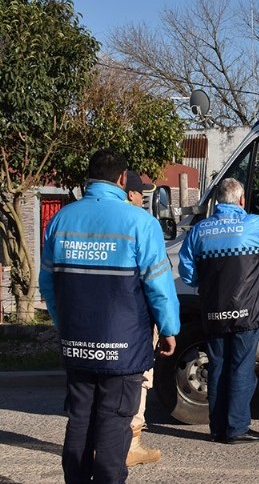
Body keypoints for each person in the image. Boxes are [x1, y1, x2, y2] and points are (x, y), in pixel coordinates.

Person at [39, 149, 180, 484]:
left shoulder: (61, 220)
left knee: (79, 421)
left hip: (76, 346)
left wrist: (65, 323)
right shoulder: (140, 223)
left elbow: (47, 283)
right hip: (123, 349)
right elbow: (159, 287)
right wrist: (170, 328)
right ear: (121, 178)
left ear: (90, 177)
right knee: (114, 428)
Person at [178, 177, 259, 444]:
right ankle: (237, 428)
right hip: (249, 311)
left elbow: (186, 272)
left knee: (218, 366)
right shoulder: (254, 225)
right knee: (241, 368)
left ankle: (218, 428)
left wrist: (206, 283)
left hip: (214, 311)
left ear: (218, 200)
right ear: (242, 200)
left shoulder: (199, 231)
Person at [123, 170, 161, 467]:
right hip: (137, 320)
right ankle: (131, 445)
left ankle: (102, 443)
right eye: (142, 192)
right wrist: (168, 324)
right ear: (132, 194)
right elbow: (156, 281)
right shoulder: (143, 224)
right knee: (140, 381)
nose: (143, 197)